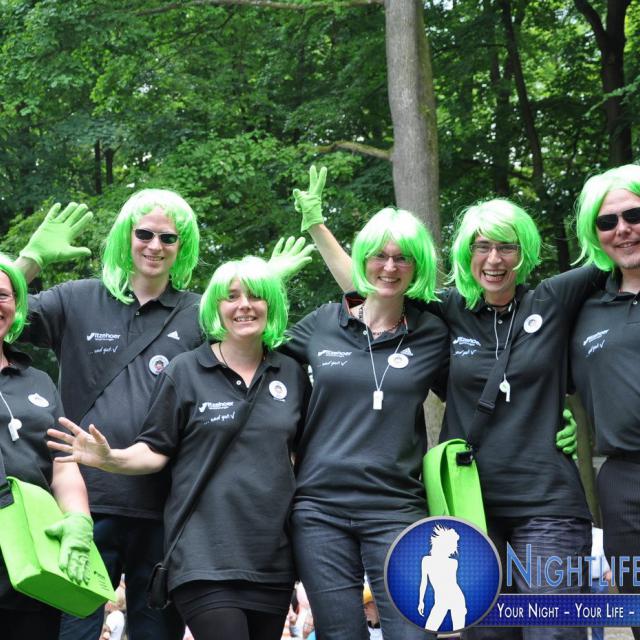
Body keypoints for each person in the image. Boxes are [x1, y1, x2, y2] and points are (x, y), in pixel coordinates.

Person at [293, 167, 601, 640]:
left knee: (552, 631)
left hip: (548, 504)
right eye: (482, 246)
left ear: (525, 251)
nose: (494, 259)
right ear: (466, 254)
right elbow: (373, 284)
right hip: (469, 506)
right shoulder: (447, 312)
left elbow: (617, 250)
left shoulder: (554, 299)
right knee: (486, 633)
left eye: (507, 246)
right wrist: (317, 226)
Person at [14, 191, 312, 640]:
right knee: (74, 632)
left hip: (166, 511)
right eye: (145, 234)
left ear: (181, 246)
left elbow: (247, 336)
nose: (155, 245)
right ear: (125, 237)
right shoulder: (76, 298)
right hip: (83, 505)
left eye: (168, 237)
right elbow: (5, 309)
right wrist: (28, 260)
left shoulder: (198, 314)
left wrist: (262, 283)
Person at [281, 204, 449, 640]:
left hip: (396, 507)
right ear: (363, 259)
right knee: (340, 634)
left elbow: (474, 385)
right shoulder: (322, 323)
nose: (390, 267)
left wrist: (552, 415)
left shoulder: (433, 331)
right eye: (379, 256)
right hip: (320, 509)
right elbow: (245, 348)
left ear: (417, 266)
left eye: (402, 258)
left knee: (415, 632)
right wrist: (268, 278)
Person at [0, 253, 93, 639]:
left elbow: (63, 463)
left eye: (3, 295)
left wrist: (79, 520)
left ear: (17, 306)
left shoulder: (39, 381)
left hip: (32, 564)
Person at [571, 164, 640, 640]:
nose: (623, 229)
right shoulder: (582, 308)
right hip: (621, 480)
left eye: (634, 214)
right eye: (607, 221)